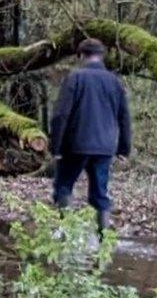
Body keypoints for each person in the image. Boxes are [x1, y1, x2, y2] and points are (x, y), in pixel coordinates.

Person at [48, 38, 132, 233]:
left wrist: (56, 147)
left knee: (64, 186)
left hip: (74, 146)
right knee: (100, 194)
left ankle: (65, 234)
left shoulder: (75, 78)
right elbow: (124, 118)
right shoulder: (114, 82)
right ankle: (103, 242)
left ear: (81, 55)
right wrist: (124, 149)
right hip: (104, 147)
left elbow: (61, 115)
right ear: (102, 56)